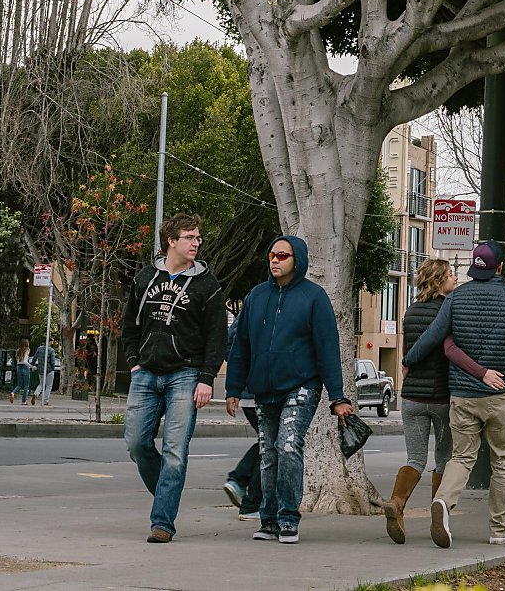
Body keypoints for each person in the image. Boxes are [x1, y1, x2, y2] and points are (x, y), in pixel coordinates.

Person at [225, 234, 353, 545]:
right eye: (272, 255)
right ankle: (267, 521)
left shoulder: (314, 297)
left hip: (302, 387)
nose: (275, 260)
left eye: (282, 256)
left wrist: (337, 396)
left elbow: (327, 349)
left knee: (288, 446)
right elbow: (240, 346)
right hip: (263, 390)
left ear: (297, 260)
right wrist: (233, 388)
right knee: (268, 454)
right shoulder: (255, 297)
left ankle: (287, 519)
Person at [404, 241, 505, 550]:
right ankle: (500, 530)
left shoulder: (456, 298)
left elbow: (434, 337)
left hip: (461, 394)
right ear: (500, 267)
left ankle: (443, 502)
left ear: (474, 266)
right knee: (502, 461)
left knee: (461, 456)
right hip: (498, 394)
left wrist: (408, 360)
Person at [120, 214, 230, 543]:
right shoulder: (145, 278)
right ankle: (166, 496)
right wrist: (134, 363)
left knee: (175, 451)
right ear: (171, 240)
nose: (196, 243)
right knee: (137, 444)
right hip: (146, 373)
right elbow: (129, 325)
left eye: (198, 238)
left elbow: (217, 336)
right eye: (189, 237)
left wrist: (206, 378)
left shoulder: (207, 285)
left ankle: (162, 523)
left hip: (186, 374)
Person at [384, 258, 455, 543]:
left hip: (411, 396)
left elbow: (406, 350)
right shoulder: (449, 309)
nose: (455, 279)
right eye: (450, 275)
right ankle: (440, 515)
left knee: (415, 458)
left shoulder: (410, 312)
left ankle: (397, 503)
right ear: (438, 281)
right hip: (442, 396)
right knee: (444, 458)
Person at [31, 338, 58, 403]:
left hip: (41, 369)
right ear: (50, 342)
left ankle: (36, 393)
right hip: (49, 370)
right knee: (49, 386)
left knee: (41, 384)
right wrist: (53, 368)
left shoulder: (39, 348)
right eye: (52, 341)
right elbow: (52, 362)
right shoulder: (51, 350)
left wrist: (33, 364)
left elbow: (35, 357)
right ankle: (45, 400)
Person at [11, 338, 33, 404]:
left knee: (19, 384)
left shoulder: (18, 350)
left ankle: (13, 393)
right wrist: (31, 366)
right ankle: (24, 401)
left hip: (18, 367)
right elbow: (25, 361)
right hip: (25, 367)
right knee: (26, 385)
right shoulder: (27, 350)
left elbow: (18, 361)